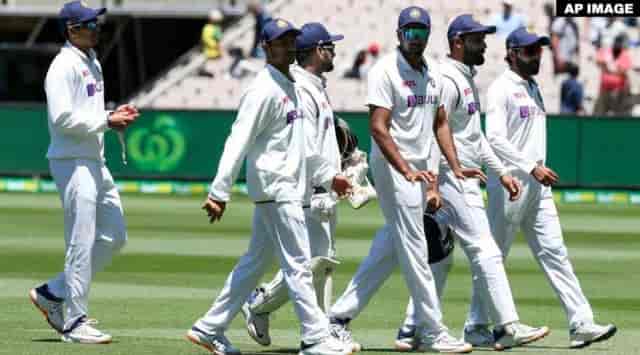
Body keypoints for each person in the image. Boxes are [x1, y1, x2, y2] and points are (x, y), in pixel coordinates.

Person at [185, 18, 352, 355]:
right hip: (278, 187)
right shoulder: (263, 89)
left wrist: (325, 176)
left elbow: (302, 146)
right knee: (298, 265)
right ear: (265, 47)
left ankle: (209, 327)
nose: (287, 46)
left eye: (291, 40)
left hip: (289, 186)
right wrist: (220, 191)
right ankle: (315, 338)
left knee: (254, 264)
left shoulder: (289, 84)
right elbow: (238, 140)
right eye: (280, 42)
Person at [328, 7, 481, 354]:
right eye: (409, 32)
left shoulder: (434, 73)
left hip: (420, 172)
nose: (415, 38)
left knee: (391, 246)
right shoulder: (384, 71)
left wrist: (450, 170)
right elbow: (378, 129)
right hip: (393, 169)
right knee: (415, 247)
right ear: (398, 34)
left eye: (421, 32)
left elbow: (440, 123)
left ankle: (338, 317)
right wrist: (407, 170)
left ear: (428, 35)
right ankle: (430, 330)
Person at [393, 14, 549, 352]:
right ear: (458, 42)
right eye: (478, 39)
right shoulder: (448, 79)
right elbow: (435, 132)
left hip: (462, 173)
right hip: (452, 176)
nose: (485, 45)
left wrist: (503, 172)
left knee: (441, 257)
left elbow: (475, 138)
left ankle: (411, 327)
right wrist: (435, 184)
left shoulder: (465, 77)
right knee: (487, 249)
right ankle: (507, 326)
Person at [481, 26, 617, 349]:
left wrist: (536, 171)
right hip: (511, 184)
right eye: (529, 51)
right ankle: (480, 323)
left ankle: (581, 322)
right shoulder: (501, 88)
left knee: (556, 253)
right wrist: (530, 167)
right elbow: (495, 137)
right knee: (492, 257)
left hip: (538, 188)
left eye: (539, 50)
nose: (537, 55)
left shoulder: (534, 87)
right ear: (512, 53)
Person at [28, 0, 139, 344]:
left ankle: (53, 292)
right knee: (81, 239)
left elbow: (85, 111)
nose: (96, 29)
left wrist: (110, 114)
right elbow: (61, 118)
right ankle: (75, 322)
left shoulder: (90, 61)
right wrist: (106, 120)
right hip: (72, 161)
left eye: (97, 24)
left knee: (114, 236)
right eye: (89, 25)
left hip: (93, 159)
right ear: (71, 30)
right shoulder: (62, 66)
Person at [240, 21, 347, 348]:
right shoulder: (301, 87)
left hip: (317, 187)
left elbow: (320, 139)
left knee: (315, 264)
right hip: (306, 189)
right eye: (330, 46)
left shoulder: (314, 85)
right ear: (316, 50)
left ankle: (310, 330)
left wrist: (346, 156)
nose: (334, 51)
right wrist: (323, 182)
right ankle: (312, 333)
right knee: (314, 264)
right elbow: (306, 147)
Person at [594, 34, 633, 116]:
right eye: (617, 43)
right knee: (600, 112)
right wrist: (610, 68)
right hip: (604, 89)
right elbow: (599, 62)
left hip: (617, 90)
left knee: (616, 113)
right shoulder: (606, 51)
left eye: (620, 43)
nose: (618, 45)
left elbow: (622, 71)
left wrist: (610, 69)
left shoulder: (624, 55)